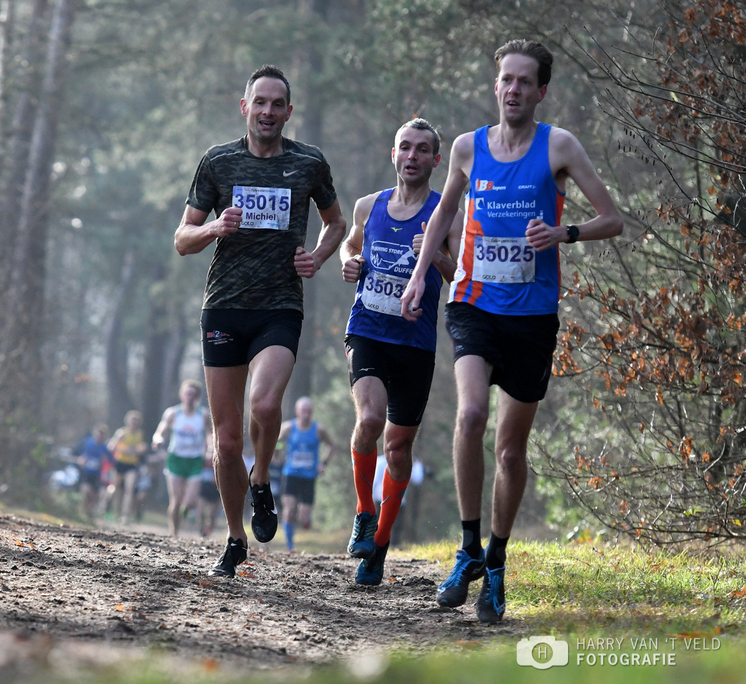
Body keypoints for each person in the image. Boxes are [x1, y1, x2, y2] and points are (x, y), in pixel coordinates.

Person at [399, 40, 623, 623]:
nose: (514, 89)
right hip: (473, 303)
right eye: (506, 79)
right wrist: (420, 277)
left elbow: (613, 219)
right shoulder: (467, 148)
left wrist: (564, 233)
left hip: (532, 316)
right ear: (495, 85)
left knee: (509, 448)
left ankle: (496, 562)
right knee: (471, 415)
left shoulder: (559, 147)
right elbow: (442, 216)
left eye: (525, 81)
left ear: (541, 90)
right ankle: (467, 548)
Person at [175, 64, 347, 577]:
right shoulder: (218, 161)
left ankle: (263, 475)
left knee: (266, 403)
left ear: (289, 112)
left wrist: (317, 257)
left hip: (279, 306)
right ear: (244, 107)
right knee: (227, 442)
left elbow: (336, 223)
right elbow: (182, 239)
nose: (268, 111)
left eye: (277, 104)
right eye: (260, 102)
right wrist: (213, 229)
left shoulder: (308, 163)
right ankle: (235, 539)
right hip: (224, 307)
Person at [341, 119, 461, 585]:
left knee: (398, 446)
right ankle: (363, 512)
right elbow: (350, 244)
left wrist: (435, 255)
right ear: (393, 154)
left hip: (415, 342)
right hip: (368, 329)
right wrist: (348, 261)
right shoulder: (368, 206)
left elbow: (460, 275)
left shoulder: (445, 213)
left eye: (422, 149)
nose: (412, 156)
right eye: (405, 147)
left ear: (436, 159)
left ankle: (381, 543)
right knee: (370, 420)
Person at [152, 380, 212, 536]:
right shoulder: (173, 413)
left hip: (195, 460)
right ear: (181, 395)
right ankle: (174, 533)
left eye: (193, 395)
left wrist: (211, 449)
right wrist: (158, 439)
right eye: (187, 393)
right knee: (176, 500)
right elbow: (160, 431)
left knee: (190, 501)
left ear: (197, 397)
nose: (189, 397)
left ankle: (186, 513)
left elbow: (210, 434)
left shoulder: (203, 414)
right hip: (176, 459)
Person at [276, 396, 335, 551]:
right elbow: (278, 442)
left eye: (309, 411)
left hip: (309, 476)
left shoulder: (318, 429)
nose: (306, 414)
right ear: (297, 411)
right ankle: (290, 546)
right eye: (303, 411)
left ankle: (307, 519)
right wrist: (278, 454)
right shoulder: (288, 427)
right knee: (289, 510)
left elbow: (331, 446)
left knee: (303, 516)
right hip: (291, 473)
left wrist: (323, 463)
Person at [106, 410, 147, 525]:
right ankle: (116, 512)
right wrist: (122, 449)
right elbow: (111, 446)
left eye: (136, 421)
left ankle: (125, 516)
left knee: (130, 489)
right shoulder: (122, 433)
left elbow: (141, 448)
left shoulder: (140, 434)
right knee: (117, 490)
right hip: (120, 463)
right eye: (132, 421)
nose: (134, 423)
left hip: (132, 465)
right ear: (127, 421)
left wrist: (141, 449)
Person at [77, 424, 111, 520]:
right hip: (87, 474)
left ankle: (90, 513)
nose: (99, 436)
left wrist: (105, 461)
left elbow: (111, 461)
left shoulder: (105, 448)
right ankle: (82, 512)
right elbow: (82, 455)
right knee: (86, 491)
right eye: (98, 434)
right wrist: (81, 460)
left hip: (98, 476)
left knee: (100, 494)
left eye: (102, 434)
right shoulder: (88, 443)